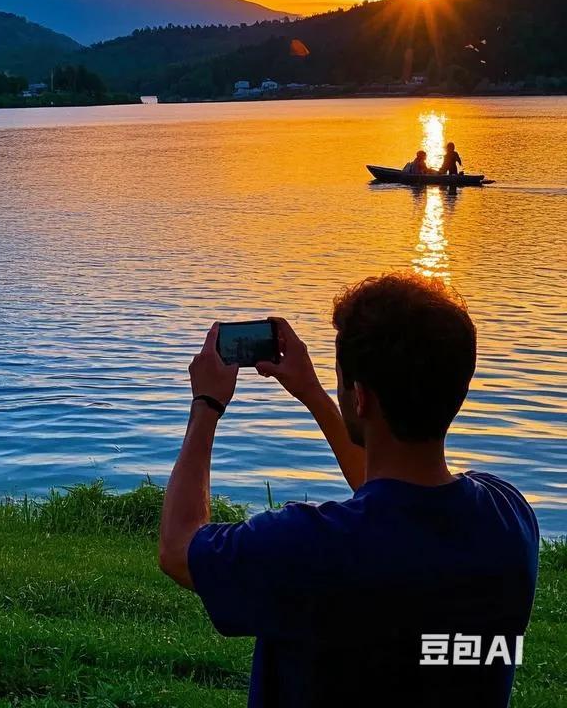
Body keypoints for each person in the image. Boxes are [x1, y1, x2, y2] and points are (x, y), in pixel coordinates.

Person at [159, 273, 538, 708]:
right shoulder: (509, 519)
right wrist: (315, 393)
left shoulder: (309, 547)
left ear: (359, 397)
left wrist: (206, 406)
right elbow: (398, 497)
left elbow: (179, 548)